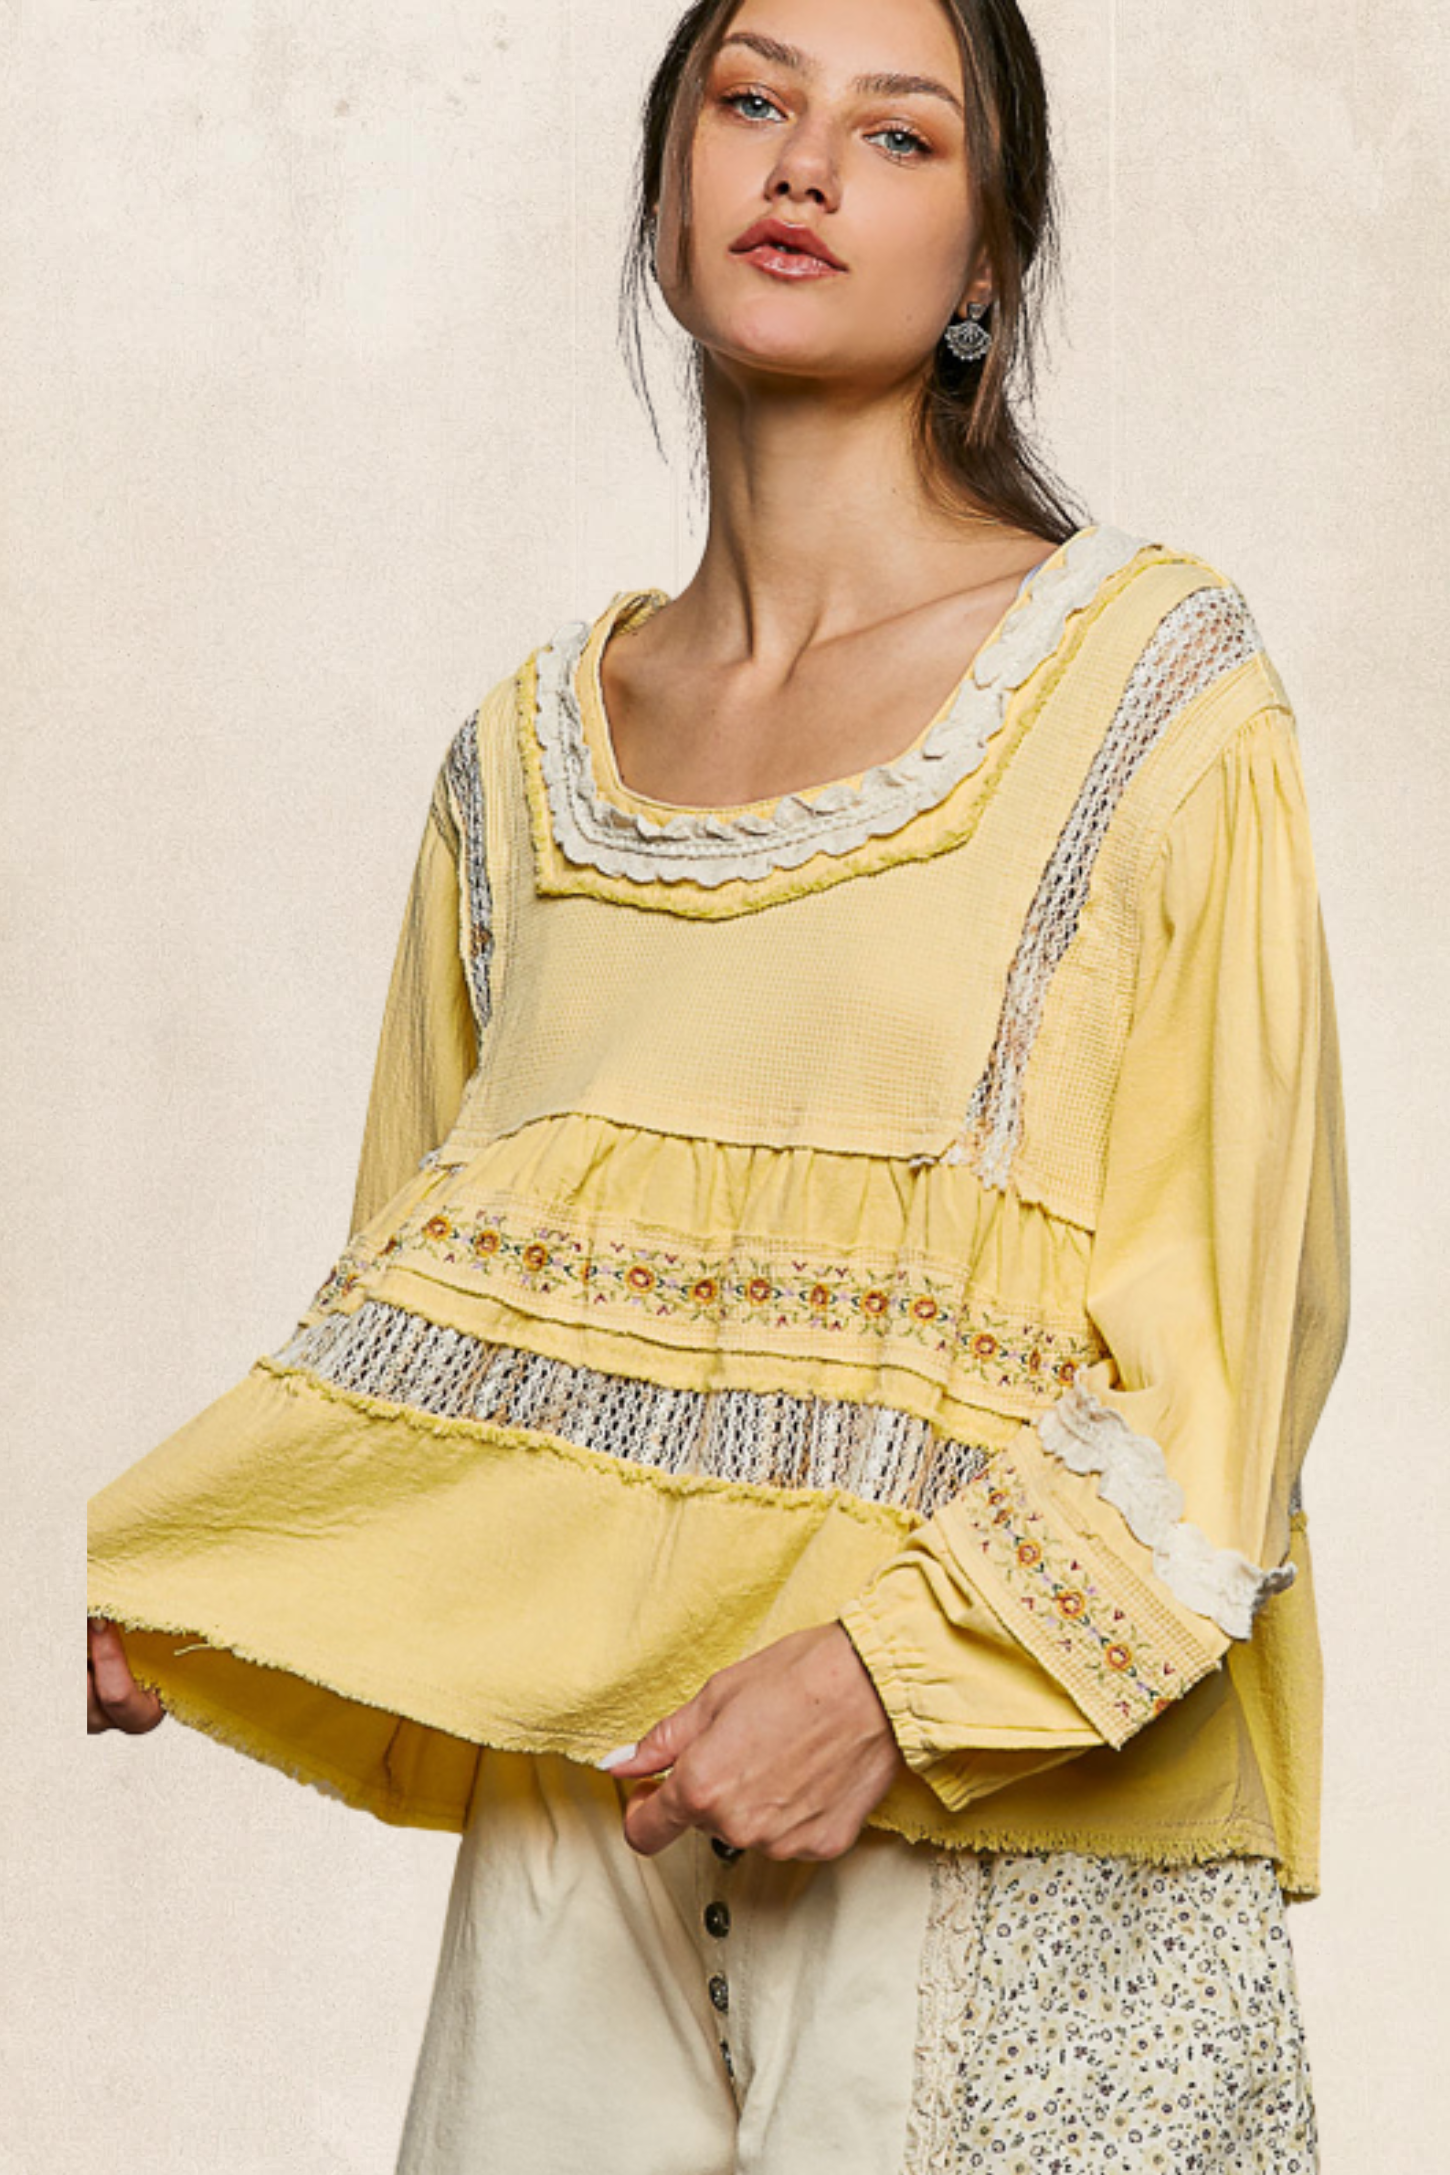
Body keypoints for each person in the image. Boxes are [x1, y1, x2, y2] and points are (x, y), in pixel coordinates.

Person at [87, 0, 1349, 2167]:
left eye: (898, 133)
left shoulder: (1151, 694)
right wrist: (210, 1583)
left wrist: (889, 1685)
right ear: (665, 189)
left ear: (986, 260)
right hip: (582, 1832)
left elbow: (1230, 1359)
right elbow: (418, 1351)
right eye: (750, 99)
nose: (803, 164)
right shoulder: (515, 772)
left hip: (1010, 1833)